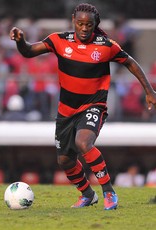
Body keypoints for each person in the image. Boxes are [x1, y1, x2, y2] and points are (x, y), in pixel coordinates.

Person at [9, 3, 156, 210]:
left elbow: (130, 62)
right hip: (66, 110)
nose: (84, 28)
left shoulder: (106, 46)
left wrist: (149, 91)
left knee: (84, 143)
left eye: (89, 24)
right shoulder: (58, 40)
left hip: (93, 105)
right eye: (80, 24)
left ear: (95, 24)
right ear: (73, 21)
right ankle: (87, 194)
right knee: (65, 161)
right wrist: (21, 41)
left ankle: (109, 193)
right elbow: (29, 51)